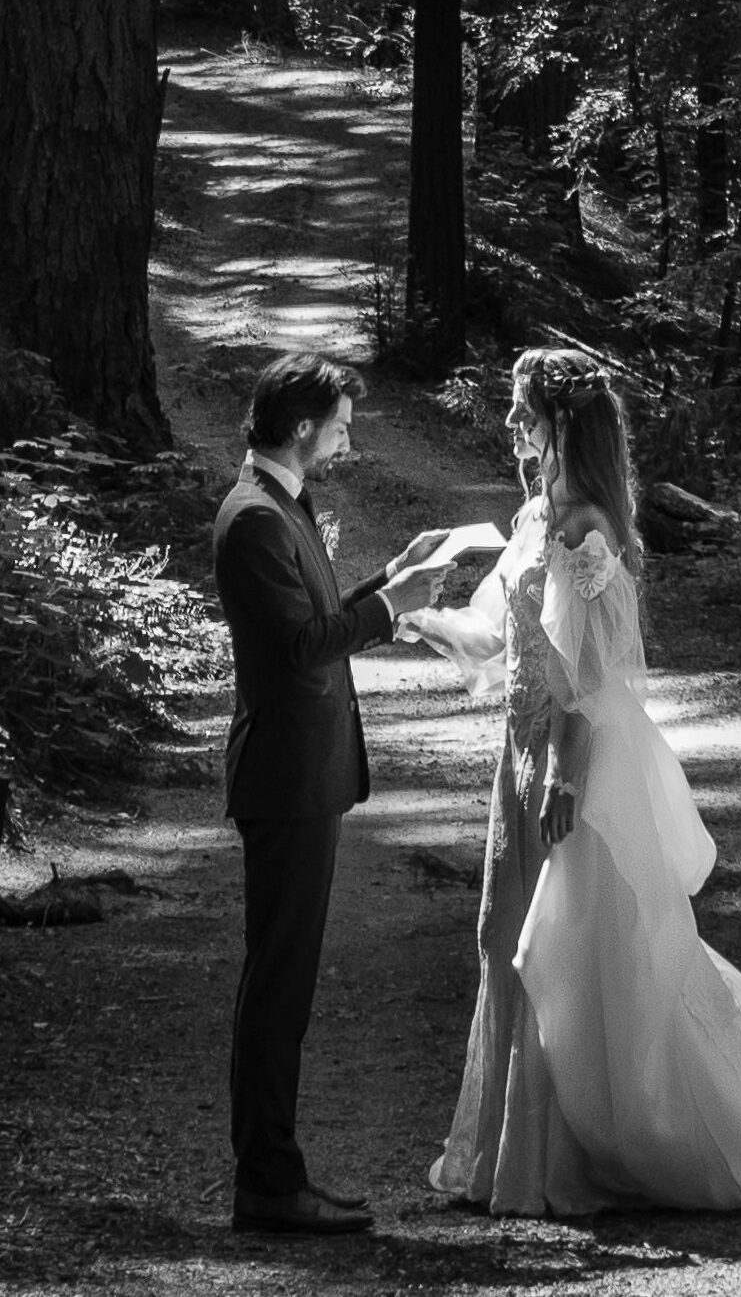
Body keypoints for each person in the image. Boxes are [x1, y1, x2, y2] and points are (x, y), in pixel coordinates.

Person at [407, 346, 741, 1217]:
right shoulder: (529, 520)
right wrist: (416, 610)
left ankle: (589, 1144)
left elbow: (593, 673)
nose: (511, 424)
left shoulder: (584, 527)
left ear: (562, 424)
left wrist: (564, 769)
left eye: (524, 411)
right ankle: (512, 1147)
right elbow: (497, 644)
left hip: (570, 764)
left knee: (579, 947)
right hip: (518, 758)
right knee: (506, 936)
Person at [208, 351, 482, 1236]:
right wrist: (390, 607)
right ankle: (269, 1183)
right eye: (342, 426)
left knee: (283, 982)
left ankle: (273, 1177)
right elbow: (298, 651)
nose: (349, 440)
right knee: (277, 986)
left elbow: (313, 619)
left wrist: (383, 584)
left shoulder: (281, 504)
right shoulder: (253, 517)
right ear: (301, 428)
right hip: (284, 778)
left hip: (301, 775)